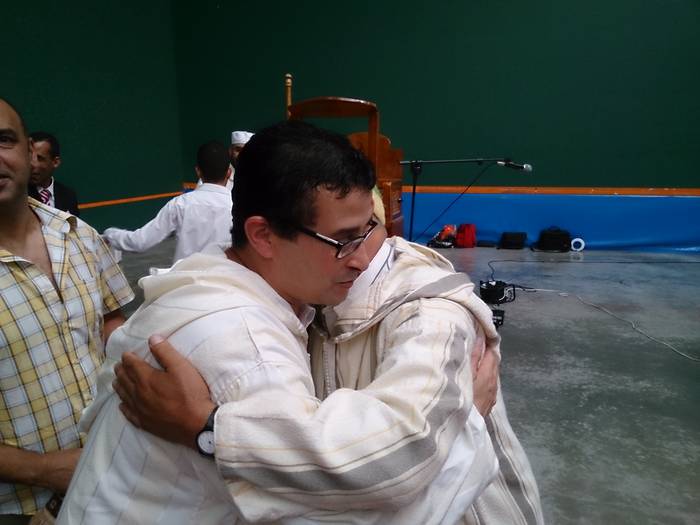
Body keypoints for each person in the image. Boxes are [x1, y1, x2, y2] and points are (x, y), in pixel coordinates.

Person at [58, 121, 497, 524]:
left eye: (370, 228)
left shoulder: (200, 281)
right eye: (343, 240)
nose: (364, 259)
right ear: (263, 235)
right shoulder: (248, 351)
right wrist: (468, 424)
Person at [308, 210, 545, 524]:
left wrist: (471, 422)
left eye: (355, 235)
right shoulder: (308, 308)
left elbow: (405, 465)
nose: (358, 257)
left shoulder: (430, 319)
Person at [0, 98, 134, 524]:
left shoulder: (78, 235)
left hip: (111, 480)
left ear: (29, 151)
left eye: (3, 140)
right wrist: (42, 470)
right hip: (21, 510)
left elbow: (111, 320)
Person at [102, 140, 233, 263]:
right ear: (229, 172)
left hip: (185, 278)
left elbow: (140, 242)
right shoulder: (237, 207)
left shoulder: (180, 204)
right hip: (228, 278)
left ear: (198, 171)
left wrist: (110, 234)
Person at [27, 131, 80, 217]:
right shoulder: (18, 195)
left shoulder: (68, 195)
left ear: (55, 162)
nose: (33, 164)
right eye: (29, 158)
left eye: (40, 158)